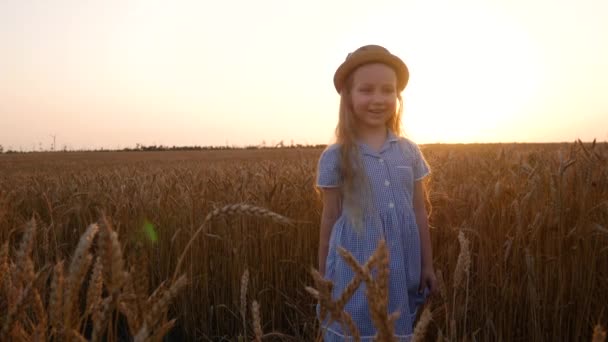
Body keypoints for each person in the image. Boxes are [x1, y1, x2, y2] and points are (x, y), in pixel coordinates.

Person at [316, 45, 437, 340]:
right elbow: (330, 217)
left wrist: (428, 264)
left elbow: (419, 210)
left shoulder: (408, 152)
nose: (378, 99)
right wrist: (322, 277)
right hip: (354, 268)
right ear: (348, 97)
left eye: (387, 90)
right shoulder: (336, 157)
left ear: (397, 97)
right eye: (366, 90)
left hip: (402, 264)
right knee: (356, 327)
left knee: (395, 328)